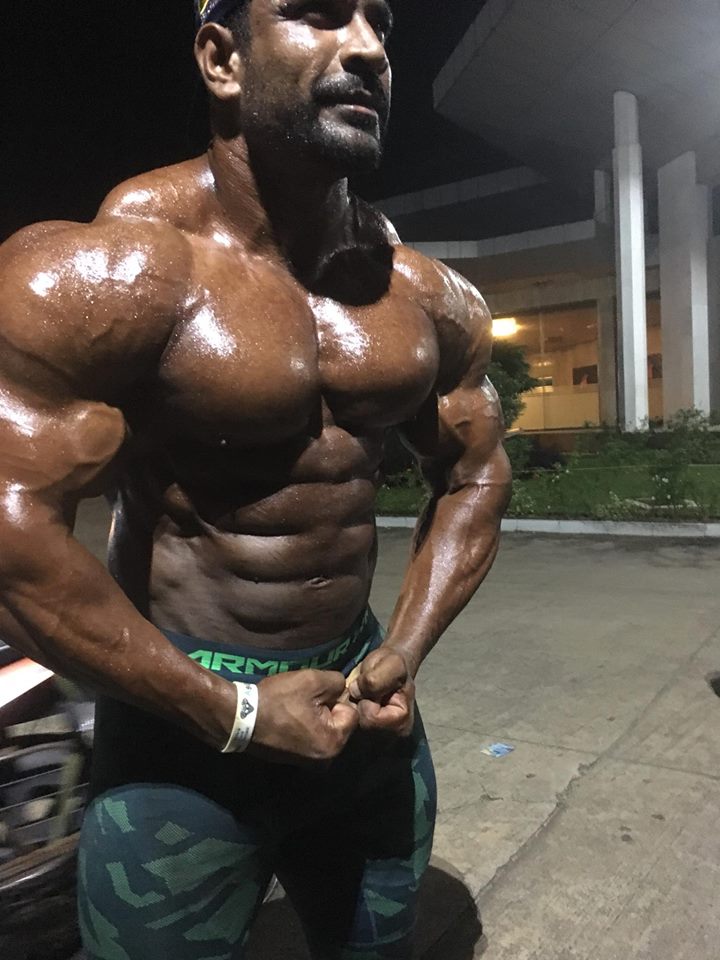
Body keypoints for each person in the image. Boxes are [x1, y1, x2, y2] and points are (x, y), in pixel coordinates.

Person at [0, 0, 511, 957]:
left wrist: (405, 648)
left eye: (380, 24)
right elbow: (12, 539)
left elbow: (476, 477)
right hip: (180, 735)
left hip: (365, 713)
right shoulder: (110, 273)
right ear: (220, 57)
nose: (367, 47)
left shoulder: (421, 293)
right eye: (317, 13)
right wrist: (233, 714)